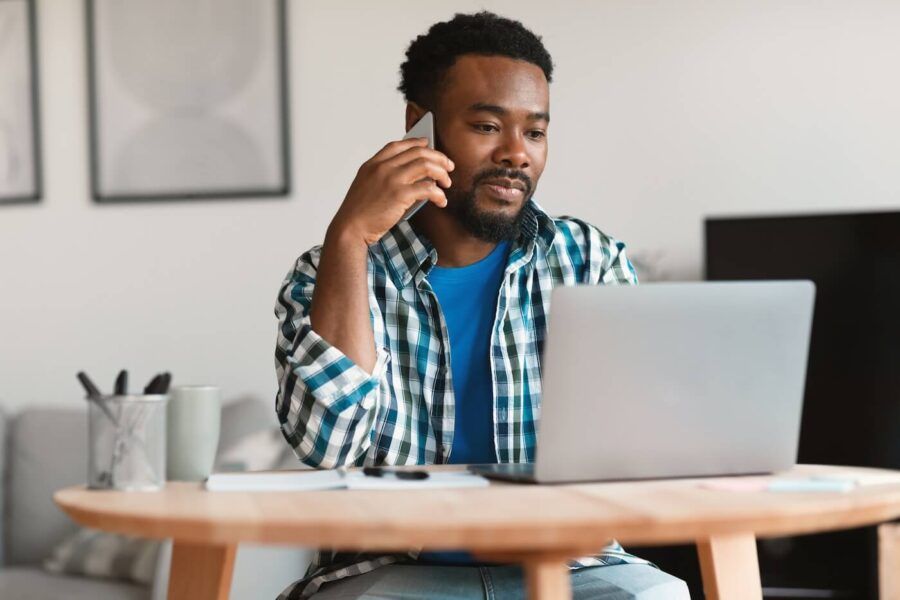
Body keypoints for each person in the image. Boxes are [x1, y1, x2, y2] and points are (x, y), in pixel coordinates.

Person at [274, 11, 689, 600]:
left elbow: (646, 441)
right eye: (488, 126)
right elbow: (326, 446)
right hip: (390, 572)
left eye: (536, 133)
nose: (517, 154)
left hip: (573, 566)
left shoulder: (589, 262)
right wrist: (349, 237)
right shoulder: (326, 274)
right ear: (421, 129)